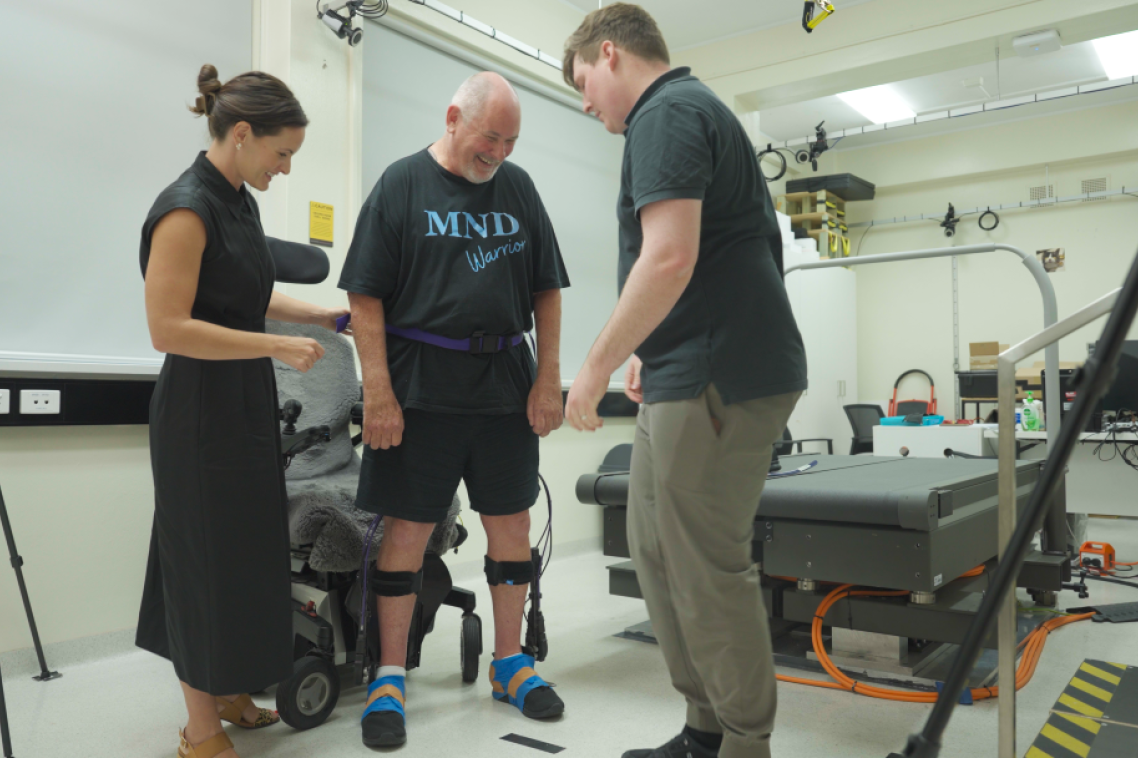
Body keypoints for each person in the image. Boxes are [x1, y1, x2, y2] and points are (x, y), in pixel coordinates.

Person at [561, 6, 808, 758]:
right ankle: (705, 728)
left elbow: (667, 258)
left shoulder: (666, 114)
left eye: (581, 83)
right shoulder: (686, 113)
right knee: (656, 549)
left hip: (719, 373)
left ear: (610, 54)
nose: (583, 102)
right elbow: (721, 254)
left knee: (704, 565)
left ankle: (743, 742)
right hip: (686, 362)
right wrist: (647, 346)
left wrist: (596, 365)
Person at [338, 71, 570, 748]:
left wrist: (547, 377)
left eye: (511, 140)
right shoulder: (402, 184)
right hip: (420, 386)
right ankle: (388, 674)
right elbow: (365, 294)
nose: (498, 152)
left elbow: (547, 287)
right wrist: (376, 389)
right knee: (407, 532)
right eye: (488, 136)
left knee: (512, 523)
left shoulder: (518, 188)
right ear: (451, 118)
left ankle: (510, 664)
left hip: (504, 382)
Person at [138, 65, 351, 758]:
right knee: (203, 565)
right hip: (198, 414)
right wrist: (275, 348)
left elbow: (248, 292)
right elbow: (168, 328)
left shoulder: (238, 202)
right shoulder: (185, 209)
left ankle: (229, 692)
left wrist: (323, 317)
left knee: (244, 560)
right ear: (240, 134)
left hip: (244, 406)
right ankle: (199, 730)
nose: (285, 169)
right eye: (281, 152)